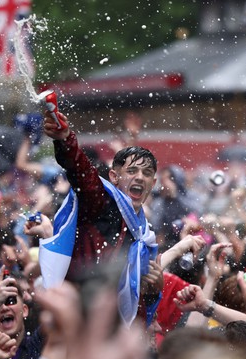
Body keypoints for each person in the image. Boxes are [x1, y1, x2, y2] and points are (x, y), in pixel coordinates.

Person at [43, 109, 162, 325]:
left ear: (153, 183)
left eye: (146, 173)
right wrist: (65, 140)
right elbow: (83, 174)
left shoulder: (145, 235)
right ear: (114, 177)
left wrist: (154, 290)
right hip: (77, 318)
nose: (139, 178)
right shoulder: (101, 203)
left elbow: (134, 307)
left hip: (112, 329)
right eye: (132, 171)